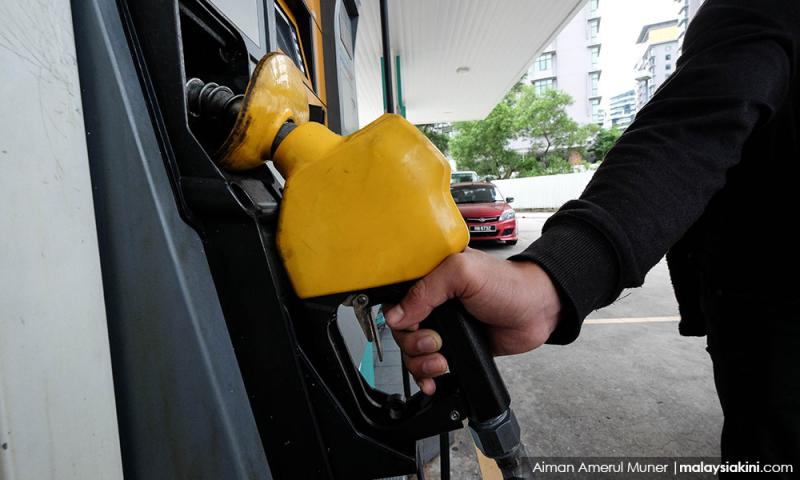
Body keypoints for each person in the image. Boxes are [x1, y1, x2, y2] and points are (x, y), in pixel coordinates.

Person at [384, 0, 800, 475]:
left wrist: (553, 281)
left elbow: (695, 125)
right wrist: (556, 280)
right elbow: (695, 127)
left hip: (771, 328)